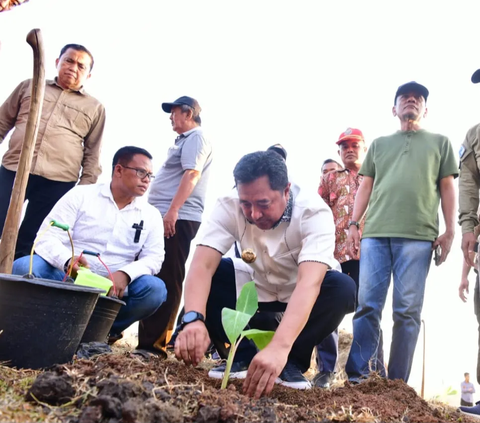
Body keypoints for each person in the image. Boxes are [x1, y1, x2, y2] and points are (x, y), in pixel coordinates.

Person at [174, 150, 356, 398]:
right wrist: (194, 318)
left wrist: (279, 347)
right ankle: (243, 355)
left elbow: (309, 283)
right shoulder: (228, 205)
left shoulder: (314, 213)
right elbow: (202, 265)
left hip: (300, 292)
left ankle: (290, 361)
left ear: (285, 190)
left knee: (343, 289)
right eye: (246, 204)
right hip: (254, 286)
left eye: (263, 204)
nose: (254, 214)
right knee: (217, 274)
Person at [345, 81, 458, 383]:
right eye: (404, 97)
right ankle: (360, 376)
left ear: (425, 108)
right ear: (394, 109)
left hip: (419, 236)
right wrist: (354, 225)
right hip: (376, 234)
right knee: (367, 304)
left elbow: (447, 186)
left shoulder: (440, 143)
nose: (411, 100)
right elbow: (365, 186)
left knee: (407, 312)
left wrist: (449, 230)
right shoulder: (380, 144)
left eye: (417, 98)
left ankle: (396, 384)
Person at [12, 146, 167, 341]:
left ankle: (101, 331)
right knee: (24, 267)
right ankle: (48, 323)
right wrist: (68, 261)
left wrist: (126, 275)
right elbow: (47, 237)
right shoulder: (81, 195)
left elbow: (154, 257)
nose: (146, 179)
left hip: (113, 287)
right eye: (141, 172)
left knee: (155, 290)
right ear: (118, 170)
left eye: (150, 175)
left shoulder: (151, 215)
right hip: (68, 276)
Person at [0, 43, 106, 259]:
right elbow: (2, 122)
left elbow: (93, 153)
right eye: (69, 60)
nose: (73, 67)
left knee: (33, 238)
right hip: (14, 168)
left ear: (88, 75)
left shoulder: (95, 108)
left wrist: (83, 191)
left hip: (58, 181)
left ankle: (16, 286)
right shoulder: (29, 86)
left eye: (81, 66)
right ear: (58, 62)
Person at [137, 96, 213, 358]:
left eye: (174, 112)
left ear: (188, 113)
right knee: (155, 271)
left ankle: (153, 346)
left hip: (177, 217)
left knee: (168, 275)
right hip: (167, 214)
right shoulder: (184, 140)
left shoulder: (196, 137)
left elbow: (192, 173)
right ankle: (148, 341)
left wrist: (173, 210)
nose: (171, 116)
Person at [314, 128, 367, 388]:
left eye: (354, 145)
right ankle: (325, 370)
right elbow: (314, 213)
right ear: (338, 151)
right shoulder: (330, 179)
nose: (349, 149)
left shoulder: (375, 177)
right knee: (328, 307)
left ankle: (367, 371)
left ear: (364, 148)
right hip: (333, 254)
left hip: (369, 254)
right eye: (344, 146)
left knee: (368, 309)